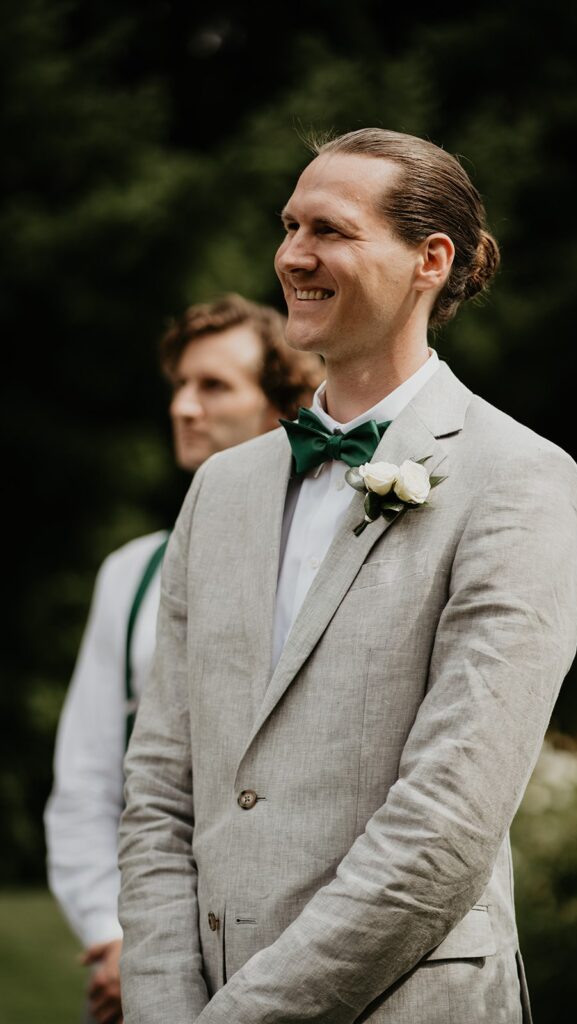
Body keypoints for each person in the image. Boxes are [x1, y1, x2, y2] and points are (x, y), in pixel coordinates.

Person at [118, 129, 577, 1024]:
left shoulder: (517, 478)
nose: (291, 255)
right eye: (288, 226)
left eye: (328, 230)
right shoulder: (221, 488)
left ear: (429, 260)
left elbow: (447, 823)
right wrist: (162, 1003)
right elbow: (157, 789)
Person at [44, 292, 323, 1024]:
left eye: (214, 386)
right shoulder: (132, 573)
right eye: (179, 386)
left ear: (279, 406)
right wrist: (115, 940)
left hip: (306, 945)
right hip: (151, 948)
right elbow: (88, 778)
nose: (183, 407)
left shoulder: (327, 559)